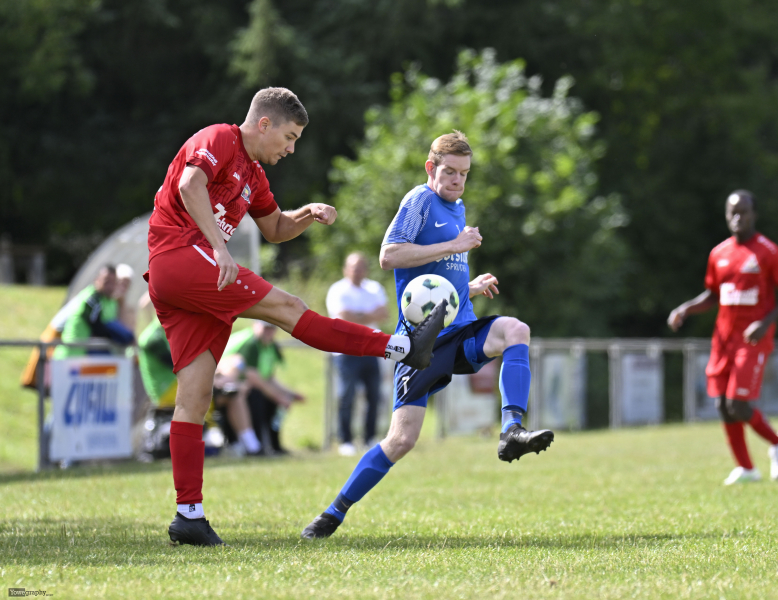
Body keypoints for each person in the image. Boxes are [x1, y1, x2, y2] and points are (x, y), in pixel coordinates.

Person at [146, 87, 446, 546]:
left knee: (195, 397)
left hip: (186, 278)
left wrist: (307, 213)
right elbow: (190, 185)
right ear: (264, 123)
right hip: (181, 257)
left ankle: (189, 515)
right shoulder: (221, 138)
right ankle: (401, 346)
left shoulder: (254, 174)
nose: (290, 149)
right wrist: (220, 249)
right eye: (289, 137)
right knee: (290, 309)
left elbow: (275, 228)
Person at [301, 131, 555, 539]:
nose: (457, 180)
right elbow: (389, 255)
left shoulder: (458, 208)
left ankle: (511, 430)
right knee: (401, 440)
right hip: (421, 342)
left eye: (464, 174)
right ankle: (333, 513)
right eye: (450, 171)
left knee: (515, 329)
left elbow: (434, 281)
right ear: (430, 167)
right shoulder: (419, 200)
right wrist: (455, 244)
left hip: (460, 328)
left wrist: (469, 288)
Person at [668, 190, 778, 485]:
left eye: (743, 212)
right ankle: (747, 469)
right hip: (723, 340)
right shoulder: (719, 253)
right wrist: (685, 309)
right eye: (733, 213)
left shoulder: (768, 252)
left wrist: (764, 323)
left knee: (738, 404)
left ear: (754, 214)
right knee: (721, 405)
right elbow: (713, 295)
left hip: (752, 340)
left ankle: (776, 444)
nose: (738, 217)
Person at [326, 252, 389, 456]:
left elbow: (384, 313)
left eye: (361, 267)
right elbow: (343, 317)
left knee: (374, 395)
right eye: (354, 268)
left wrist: (357, 316)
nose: (358, 271)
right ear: (346, 269)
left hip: (371, 348)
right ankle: (346, 439)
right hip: (346, 350)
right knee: (347, 395)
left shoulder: (375, 288)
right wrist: (368, 315)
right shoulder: (338, 290)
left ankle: (370, 437)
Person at [218, 321, 303, 455]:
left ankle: (274, 446)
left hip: (245, 384)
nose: (268, 332)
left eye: (272, 328)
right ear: (255, 326)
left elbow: (268, 376)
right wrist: (278, 396)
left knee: (274, 403)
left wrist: (288, 393)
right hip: (224, 383)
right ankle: (253, 445)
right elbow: (252, 375)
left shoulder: (270, 345)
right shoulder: (251, 343)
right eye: (265, 328)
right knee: (257, 397)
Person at [52, 265, 135, 360]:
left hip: (80, 355)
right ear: (97, 280)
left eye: (113, 283)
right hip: (69, 355)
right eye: (106, 282)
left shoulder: (106, 300)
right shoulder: (91, 298)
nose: (110, 287)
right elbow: (98, 326)